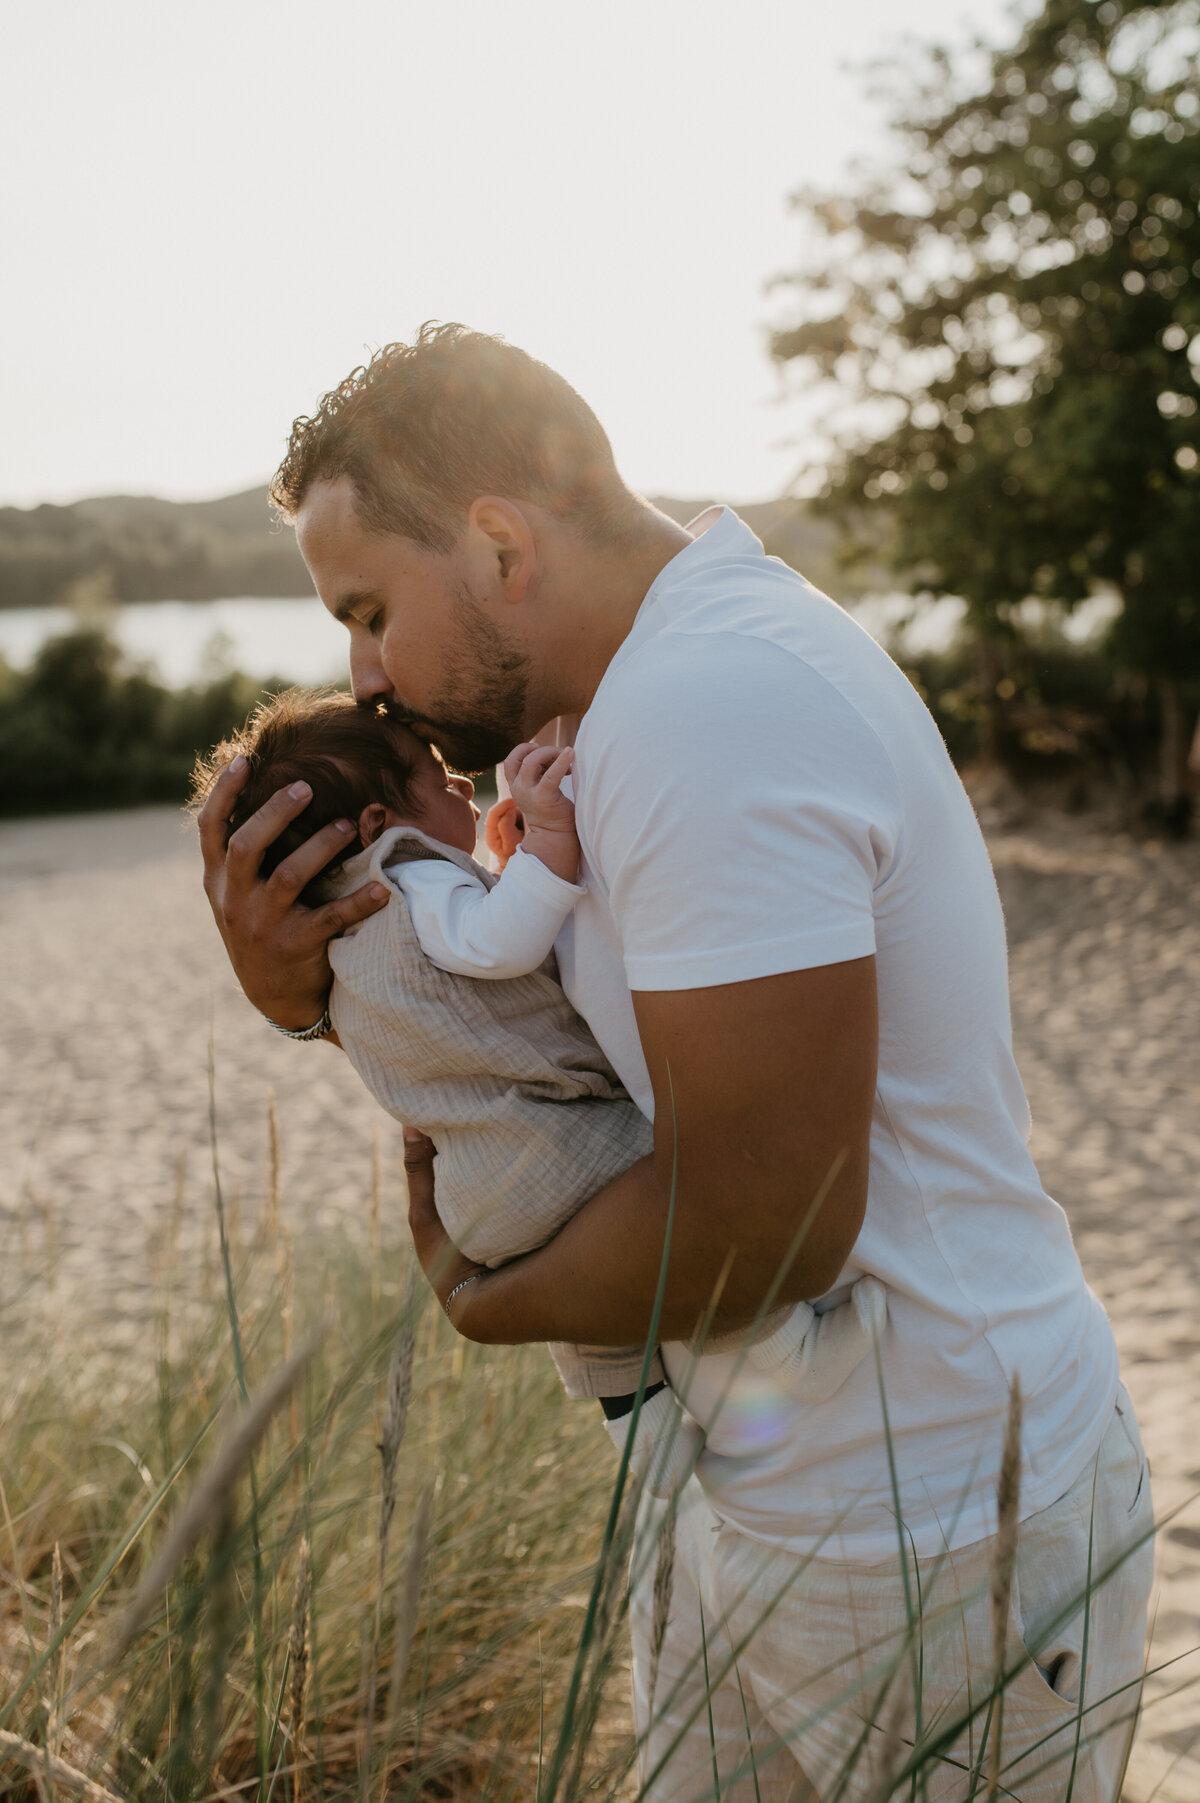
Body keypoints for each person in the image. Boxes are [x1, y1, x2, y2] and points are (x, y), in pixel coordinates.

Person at [198, 324, 1153, 1801]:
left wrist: (482, 1299)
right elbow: (555, 1040)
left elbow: (763, 1219)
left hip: (928, 1514)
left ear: (502, 541)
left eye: (371, 609)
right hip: (772, 1464)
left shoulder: (708, 708)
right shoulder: (617, 707)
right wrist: (315, 995)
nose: (363, 671)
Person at [193, 687, 884, 1495]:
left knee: (603, 1323)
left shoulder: (346, 950)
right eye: (435, 777)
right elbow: (499, 943)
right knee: (699, 1219)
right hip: (561, 1151)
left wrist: (505, 866)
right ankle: (783, 1356)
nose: (461, 786)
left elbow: (455, 989)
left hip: (485, 1197)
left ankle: (643, 1431)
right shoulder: (411, 884)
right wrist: (551, 841)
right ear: (381, 829)